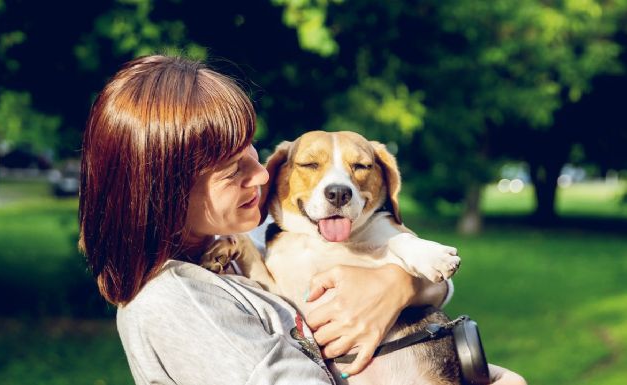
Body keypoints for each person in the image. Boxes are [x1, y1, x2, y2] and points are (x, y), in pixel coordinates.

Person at [78, 54, 525, 385]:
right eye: (235, 170)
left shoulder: (242, 242)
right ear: (166, 190)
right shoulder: (175, 300)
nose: (263, 174)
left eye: (253, 153)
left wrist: (399, 285)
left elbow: (437, 279)